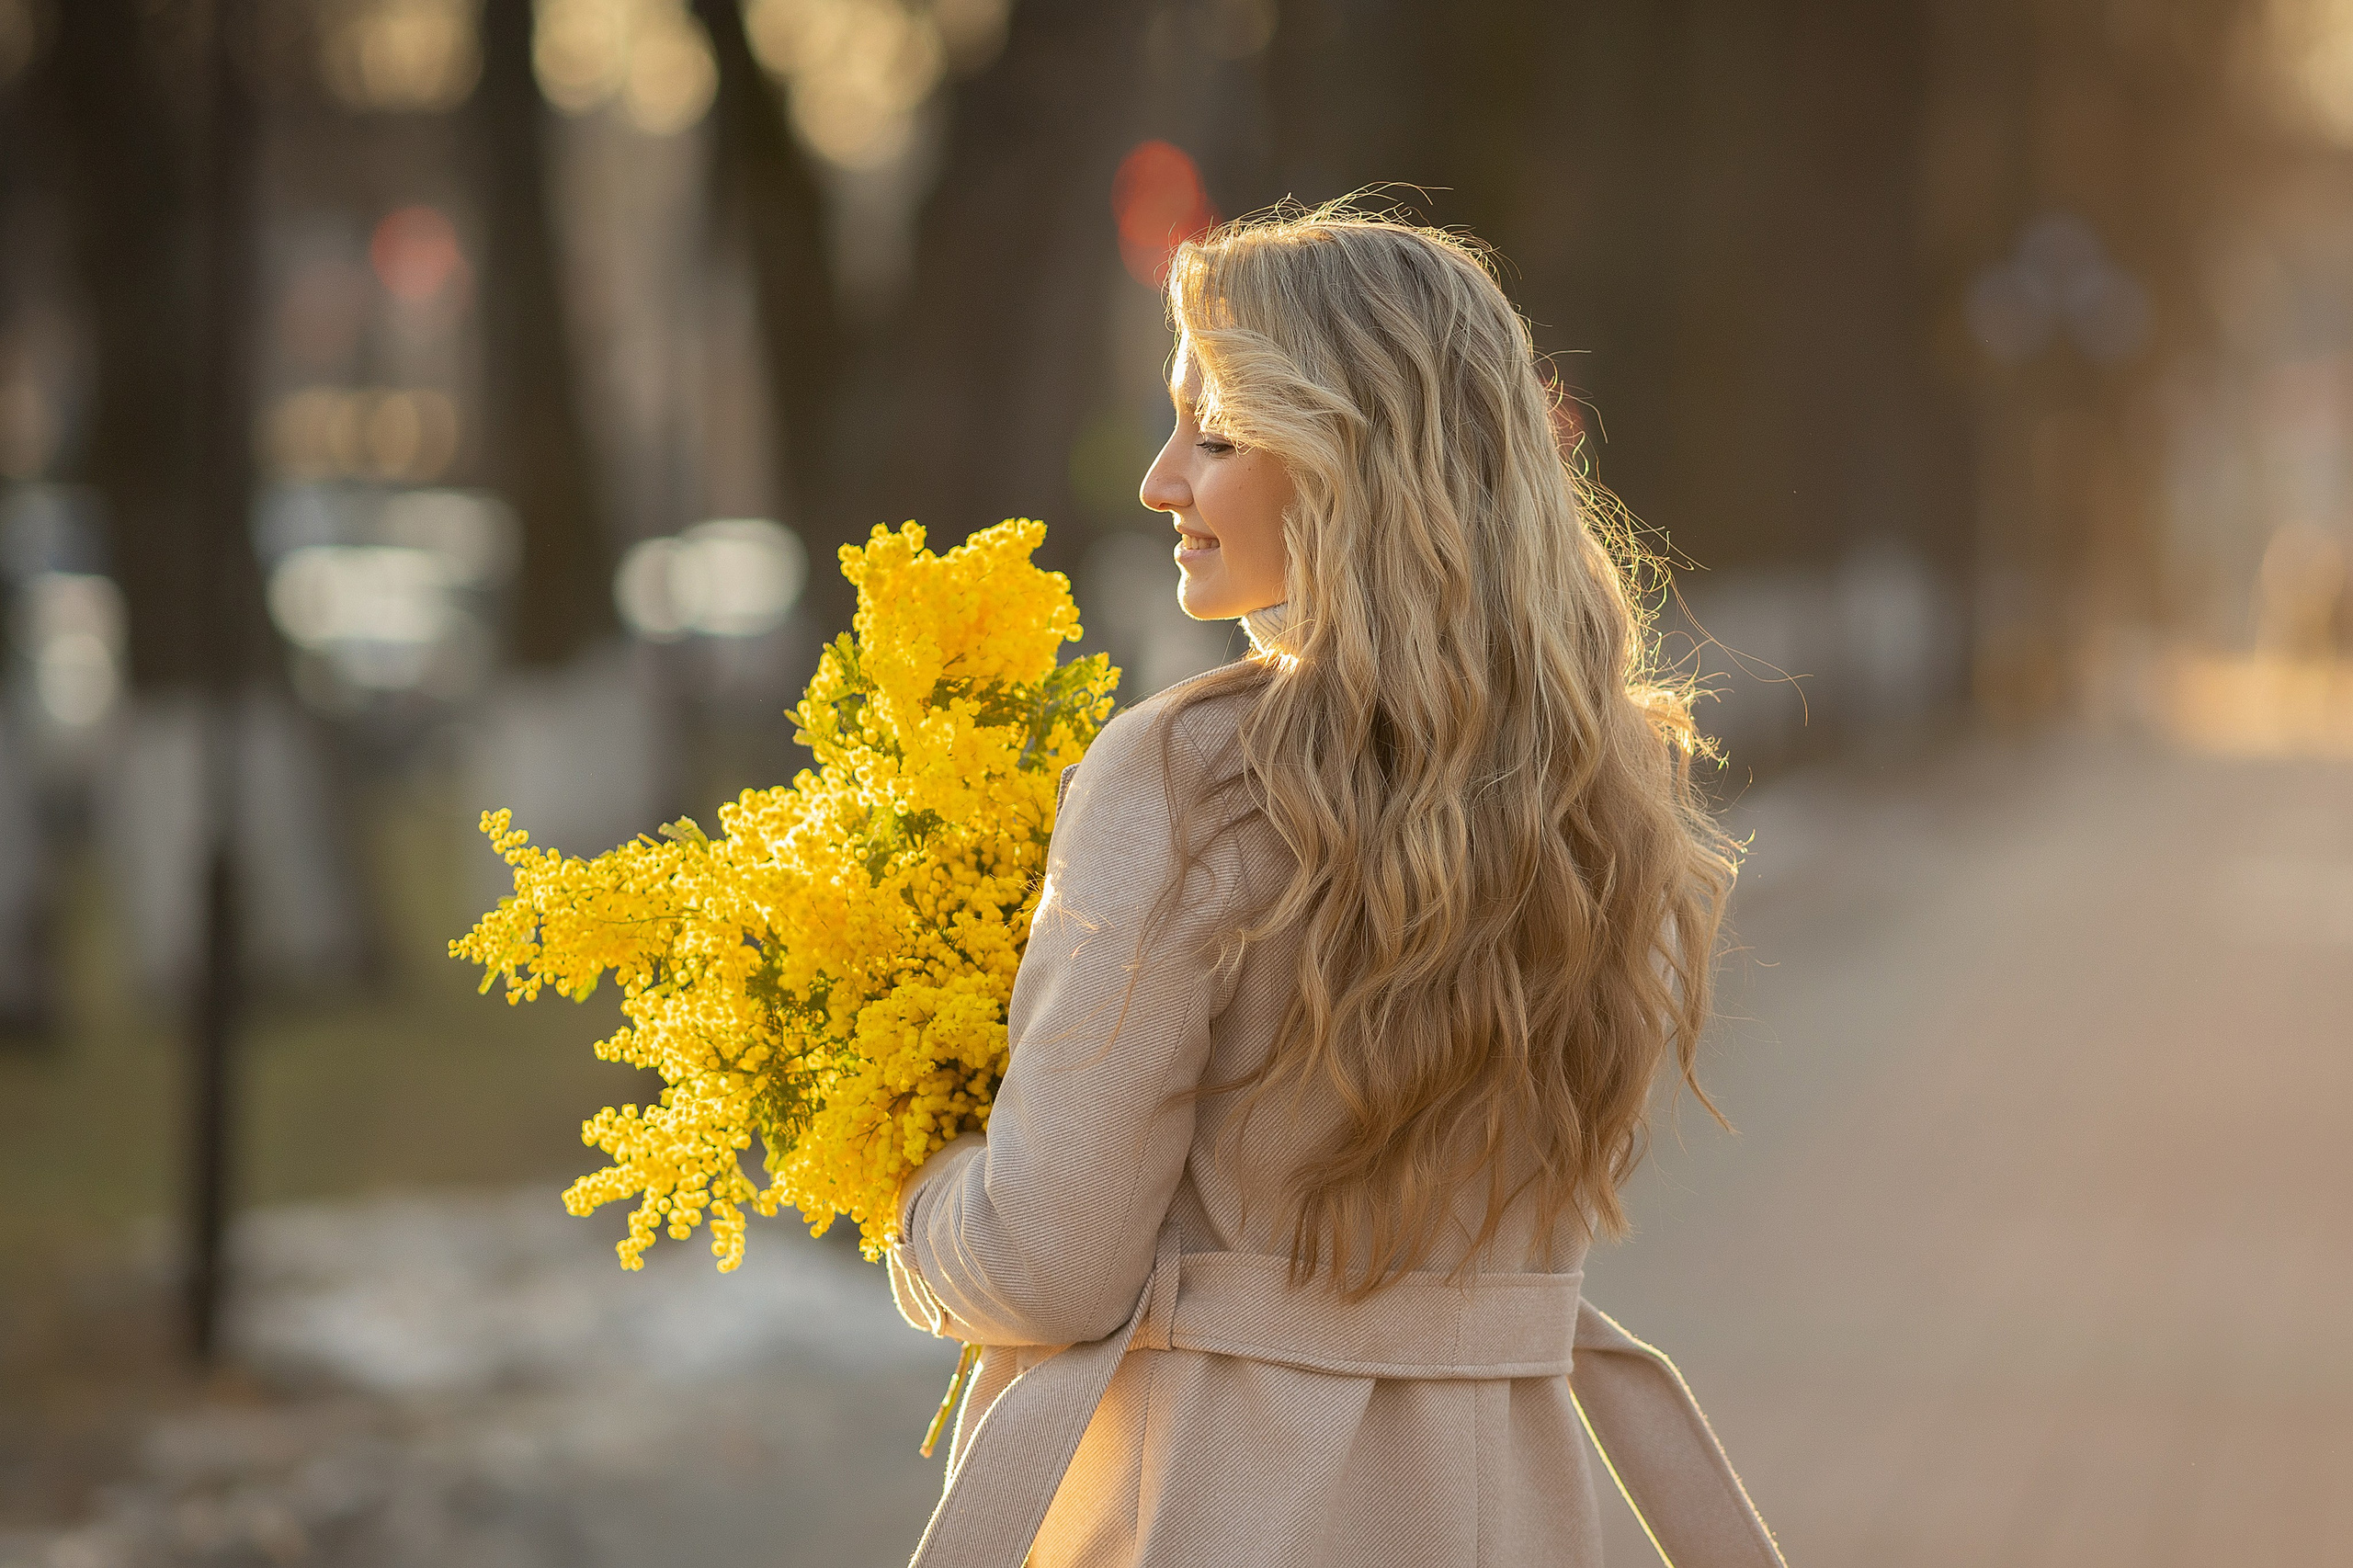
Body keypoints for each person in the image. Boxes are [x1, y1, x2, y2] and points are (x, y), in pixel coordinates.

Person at [887, 206, 1783, 1568]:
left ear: (1353, 463)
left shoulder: (1186, 777)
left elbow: (1055, 1259)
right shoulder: (1603, 783)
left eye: (1219, 432)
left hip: (1221, 1503)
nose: (1161, 480)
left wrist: (914, 1186)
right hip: (1519, 1504)